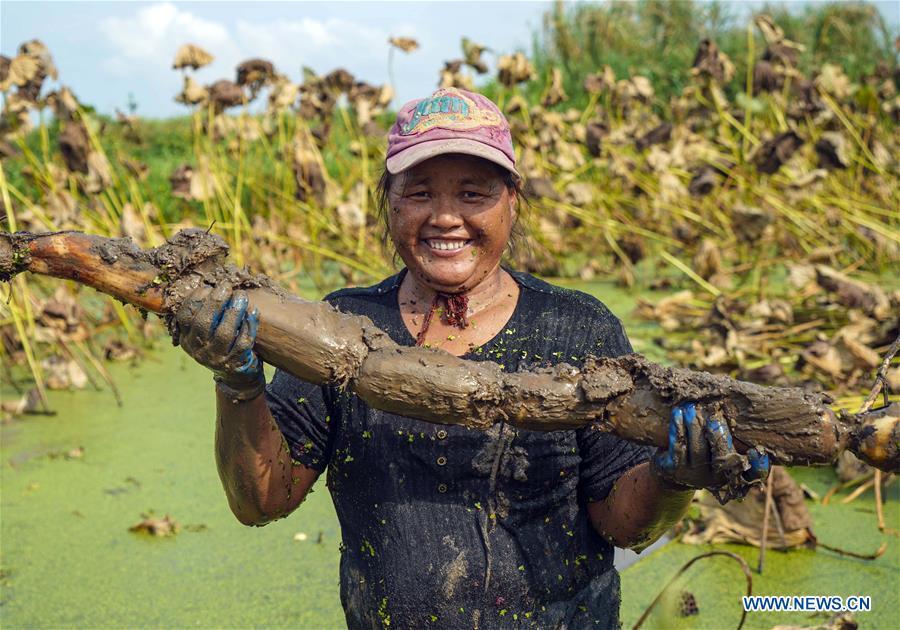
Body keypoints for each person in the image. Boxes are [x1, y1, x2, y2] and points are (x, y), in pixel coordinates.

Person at [174, 87, 768, 629]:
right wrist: (238, 385)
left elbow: (625, 523)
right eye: (420, 192)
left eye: (473, 193)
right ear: (390, 203)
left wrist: (674, 479)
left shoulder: (579, 328)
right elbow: (261, 500)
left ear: (512, 201)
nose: (446, 217)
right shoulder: (340, 330)